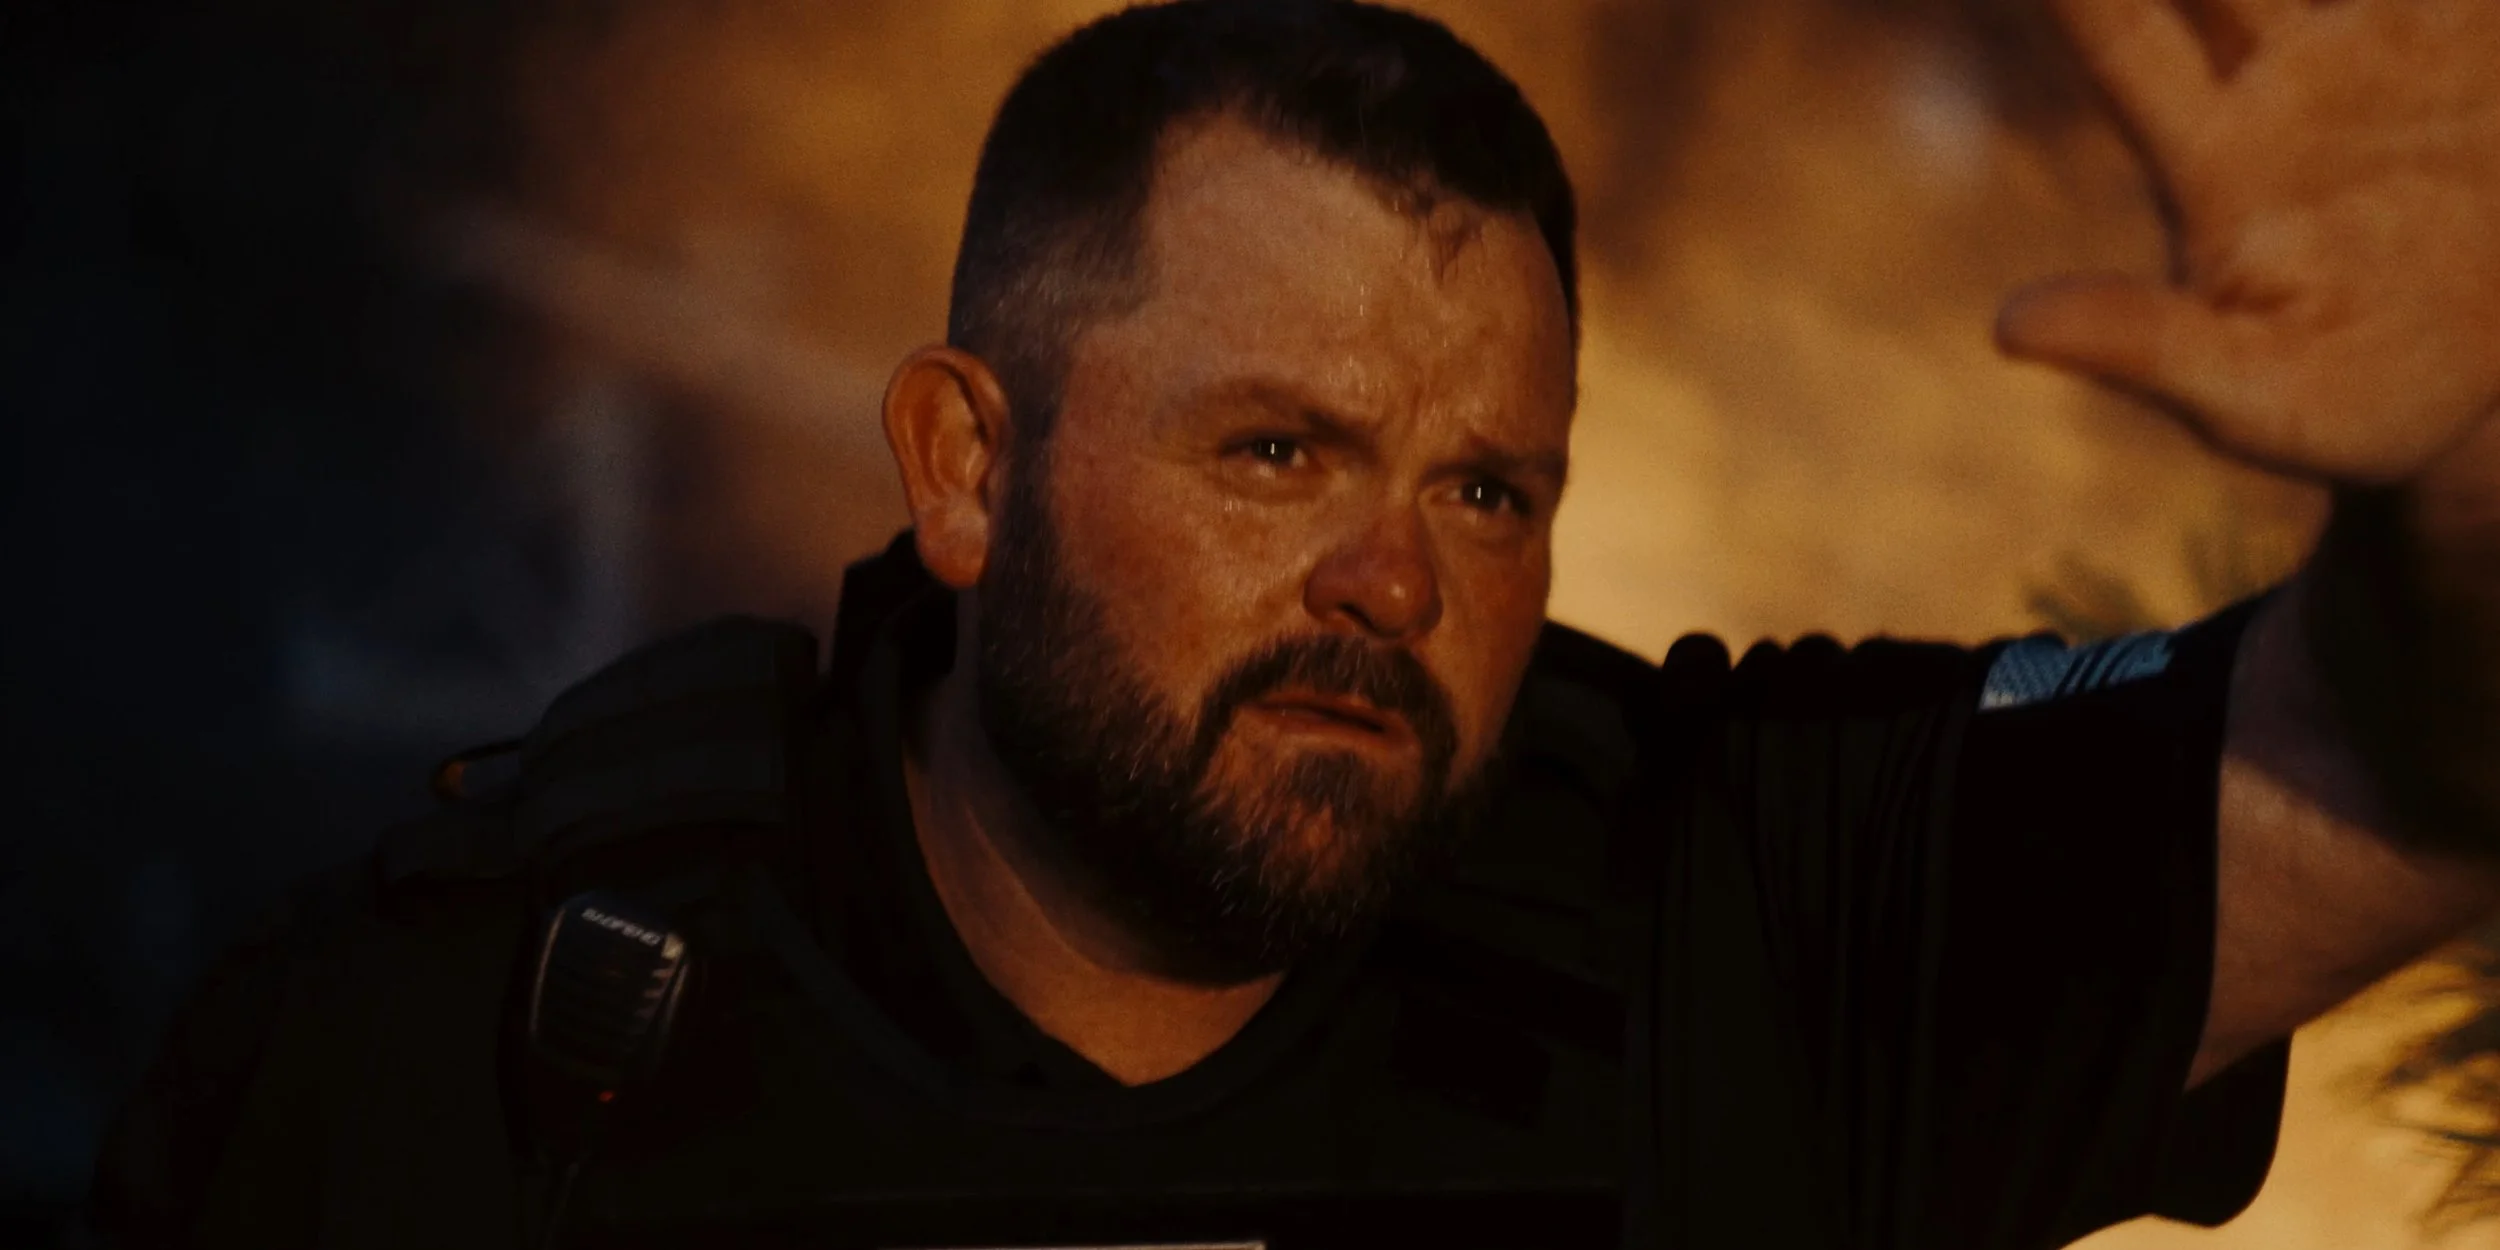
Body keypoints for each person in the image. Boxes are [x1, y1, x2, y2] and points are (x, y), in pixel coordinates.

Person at [85, 0, 2500, 1247]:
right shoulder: (453, 1051)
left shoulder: (1737, 922)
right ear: (961, 461)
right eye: (1275, 452)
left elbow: (2403, 763)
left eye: (1485, 486)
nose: (1393, 578)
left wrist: (2478, 441)